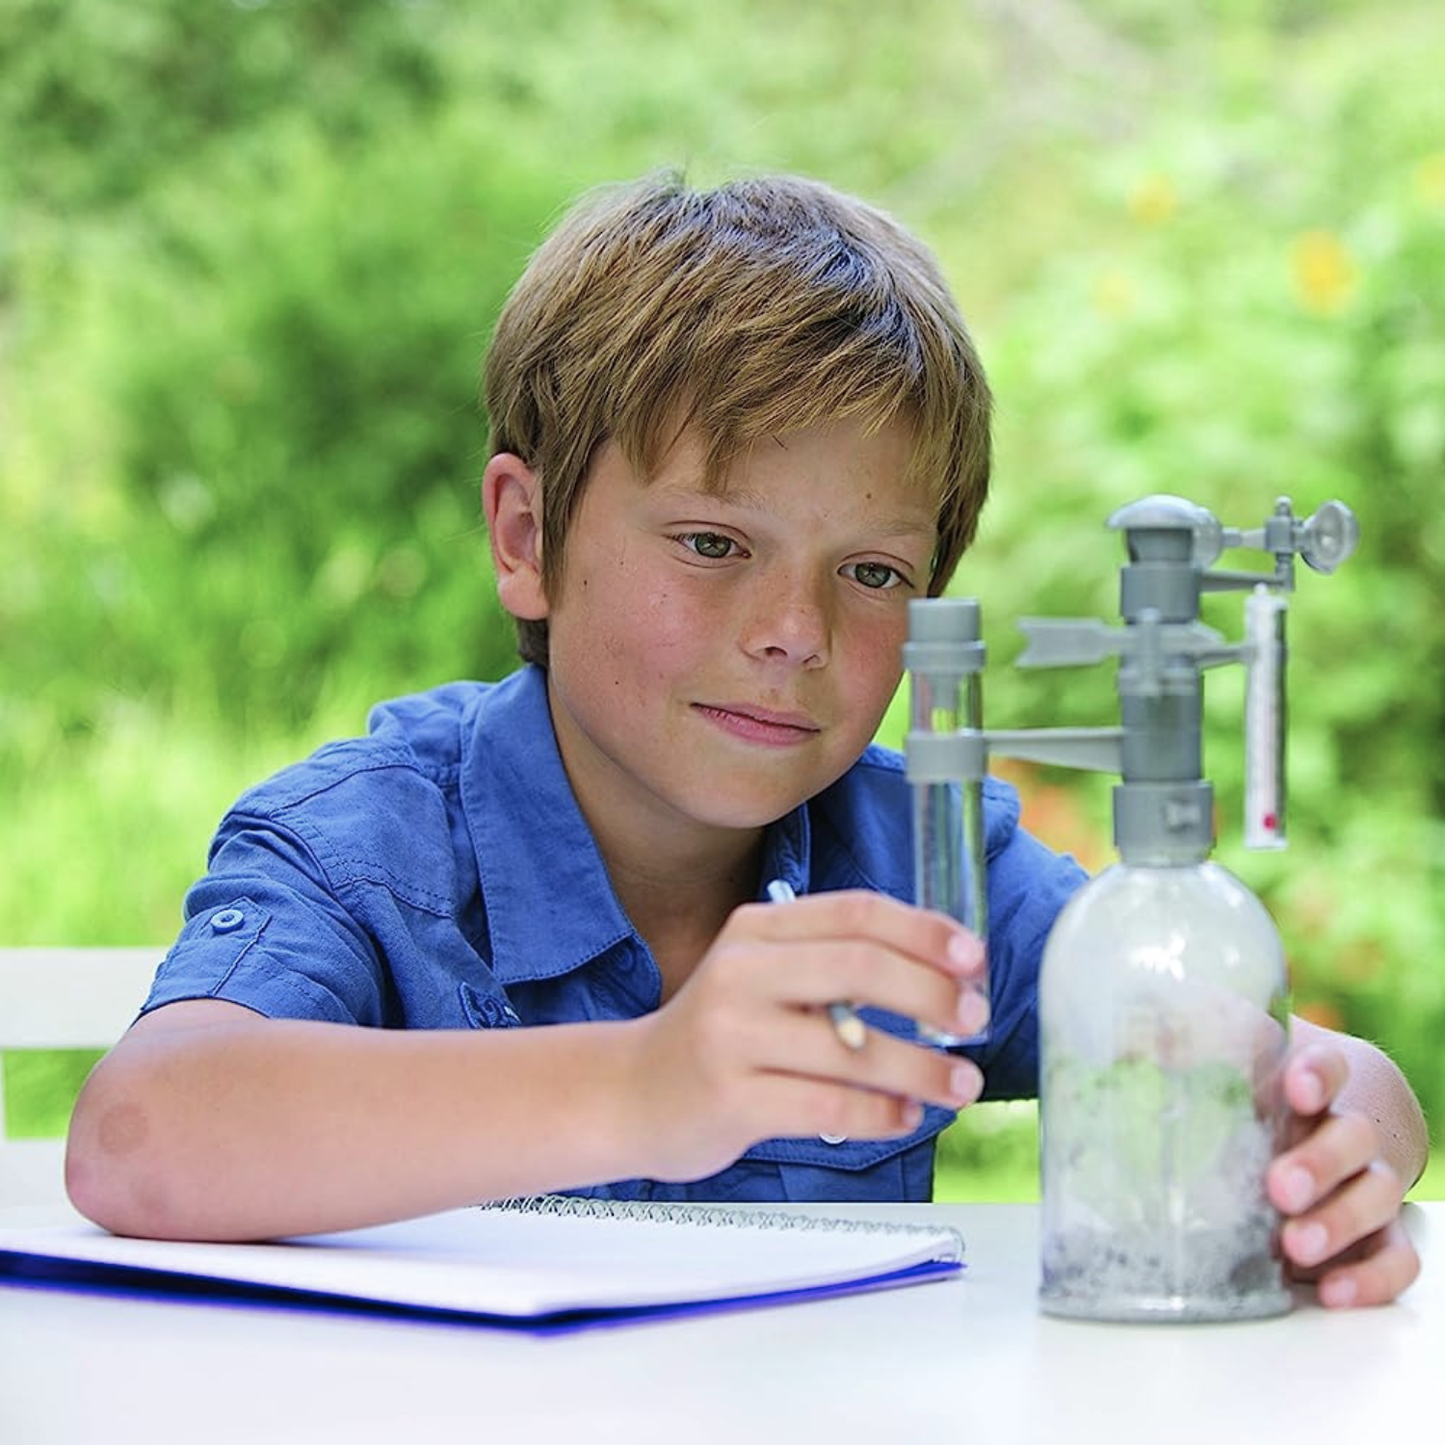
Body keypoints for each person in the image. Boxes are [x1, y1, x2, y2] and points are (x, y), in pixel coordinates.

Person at [67, 171, 1426, 1307]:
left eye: (873, 574)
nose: (794, 630)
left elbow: (1303, 1071)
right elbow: (144, 1137)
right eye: (713, 544)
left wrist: (1342, 1134)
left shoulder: (920, 864)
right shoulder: (366, 844)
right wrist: (645, 1083)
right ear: (528, 538)